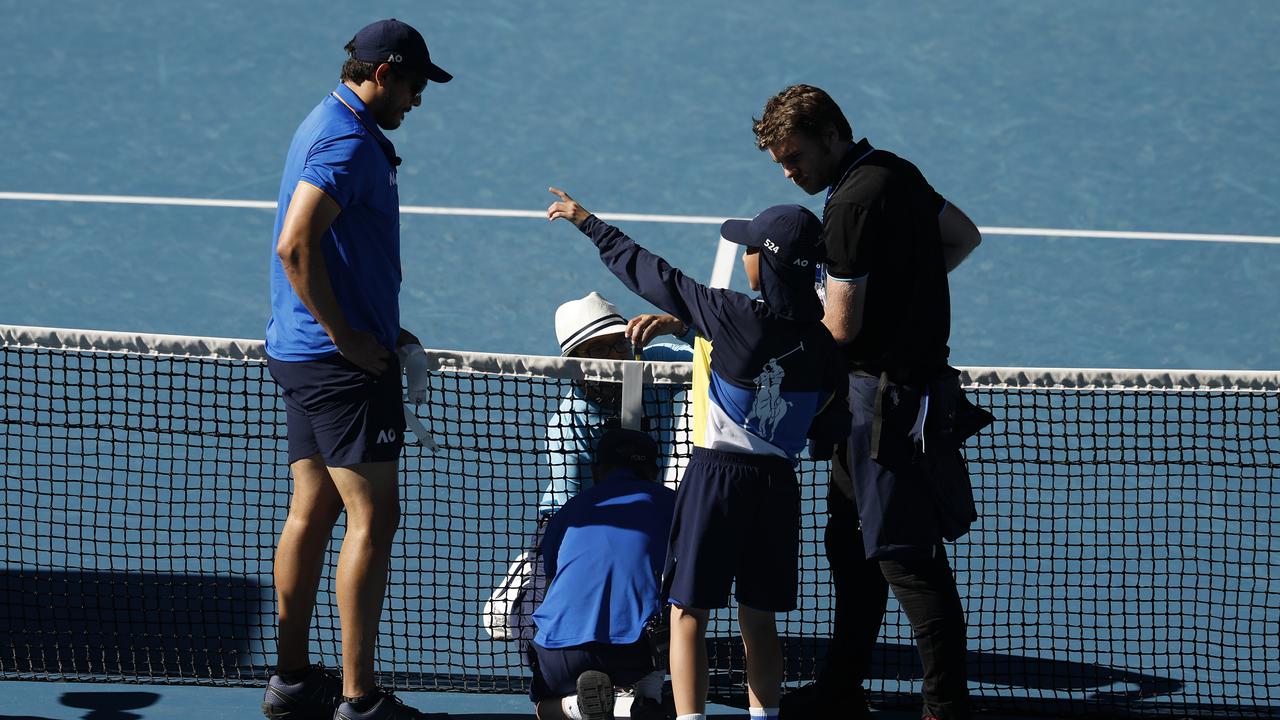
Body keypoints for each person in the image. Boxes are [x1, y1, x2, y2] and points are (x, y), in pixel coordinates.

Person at [547, 190, 850, 720]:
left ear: (766, 262)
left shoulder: (731, 314)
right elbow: (826, 412)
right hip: (779, 486)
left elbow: (650, 272)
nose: (745, 255)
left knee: (688, 614)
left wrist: (587, 222)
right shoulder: (823, 344)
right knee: (759, 621)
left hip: (715, 482)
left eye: (751, 248)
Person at [752, 84, 986, 720]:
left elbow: (841, 329)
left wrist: (766, 339)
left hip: (881, 408)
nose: (788, 170)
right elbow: (963, 238)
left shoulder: (850, 206)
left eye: (795, 156)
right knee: (849, 546)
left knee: (909, 563)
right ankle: (842, 683)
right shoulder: (895, 172)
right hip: (889, 401)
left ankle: (945, 707)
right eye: (780, 161)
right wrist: (907, 292)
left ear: (832, 135)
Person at [260, 18, 451, 720]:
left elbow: (333, 251)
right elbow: (296, 245)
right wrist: (348, 337)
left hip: (299, 354)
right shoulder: (346, 141)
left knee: (311, 511)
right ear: (381, 74)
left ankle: (290, 682)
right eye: (412, 85)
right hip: (337, 366)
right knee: (376, 516)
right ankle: (358, 699)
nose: (417, 100)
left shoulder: (326, 120)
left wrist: (370, 319)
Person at [528, 428, 677, 720]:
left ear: (597, 471)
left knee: (543, 710)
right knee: (684, 598)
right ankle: (647, 696)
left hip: (560, 658)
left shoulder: (569, 509)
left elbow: (549, 576)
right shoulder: (674, 504)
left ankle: (579, 708)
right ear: (653, 471)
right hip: (635, 654)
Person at [541, 292, 693, 517]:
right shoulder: (569, 427)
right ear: (576, 362)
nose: (616, 357)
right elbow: (575, 514)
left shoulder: (656, 368)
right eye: (599, 349)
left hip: (646, 510)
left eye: (619, 343)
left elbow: (728, 361)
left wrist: (680, 326)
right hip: (578, 521)